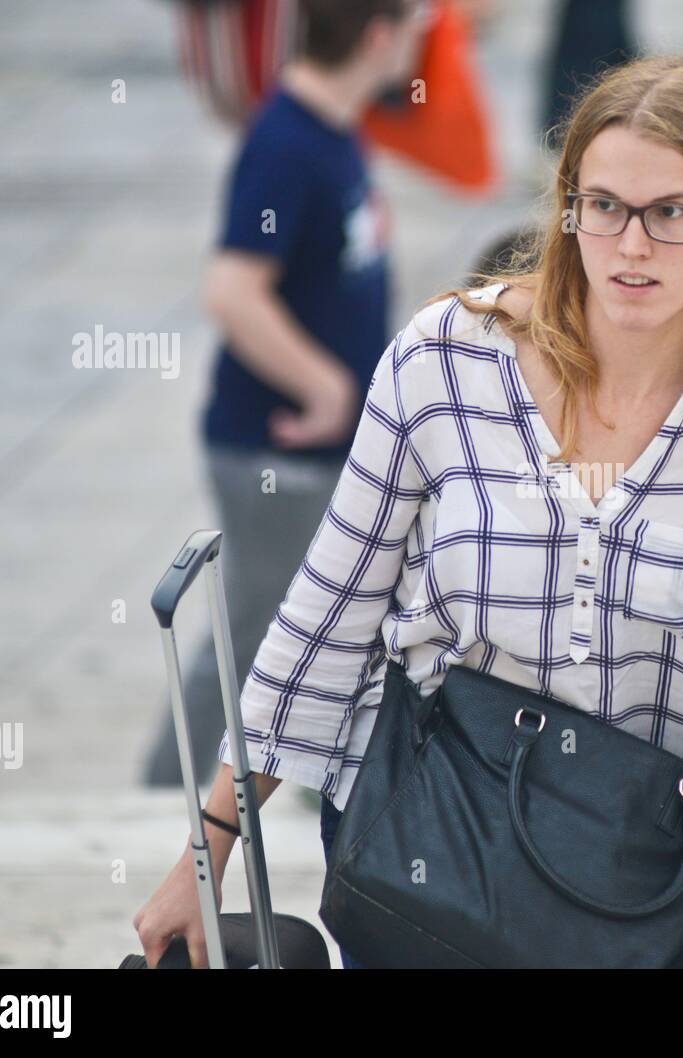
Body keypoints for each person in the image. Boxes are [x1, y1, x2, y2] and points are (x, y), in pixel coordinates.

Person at [133, 54, 683, 969]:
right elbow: (324, 620)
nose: (631, 246)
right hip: (426, 855)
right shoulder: (447, 360)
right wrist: (203, 858)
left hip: (635, 892)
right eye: (603, 206)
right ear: (568, 207)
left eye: (671, 214)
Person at [140, 0, 430, 789]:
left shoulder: (331, 128)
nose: (422, 40)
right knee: (255, 634)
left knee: (303, 625)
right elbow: (232, 290)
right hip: (274, 449)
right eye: (416, 24)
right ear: (378, 34)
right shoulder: (287, 144)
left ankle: (305, 784)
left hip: (312, 450)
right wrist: (327, 385)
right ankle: (161, 798)